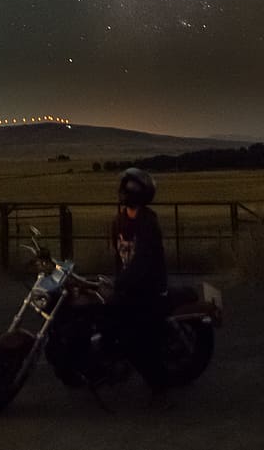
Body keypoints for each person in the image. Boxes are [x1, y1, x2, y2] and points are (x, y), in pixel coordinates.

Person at [101, 166, 170, 406]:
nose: (125, 191)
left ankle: (159, 387)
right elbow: (119, 259)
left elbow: (144, 260)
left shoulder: (148, 222)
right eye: (125, 186)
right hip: (127, 285)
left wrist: (122, 282)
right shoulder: (118, 221)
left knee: (135, 340)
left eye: (131, 188)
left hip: (148, 287)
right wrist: (114, 282)